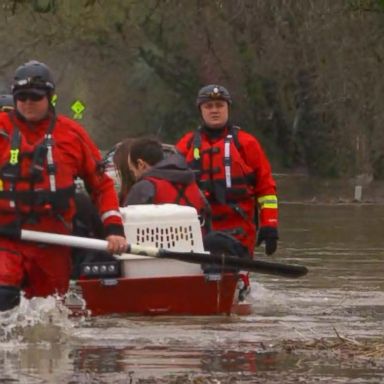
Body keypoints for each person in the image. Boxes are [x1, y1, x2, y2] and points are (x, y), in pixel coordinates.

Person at [0, 60, 127, 311]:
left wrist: (113, 229)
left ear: (50, 97)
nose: (27, 103)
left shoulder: (72, 134)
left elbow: (101, 185)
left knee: (48, 312)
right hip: (7, 236)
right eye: (21, 97)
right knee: (3, 293)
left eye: (35, 97)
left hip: (53, 239)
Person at [176, 84, 279, 258]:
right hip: (197, 229)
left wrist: (270, 224)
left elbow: (266, 190)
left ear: (228, 108)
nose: (214, 111)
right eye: (208, 106)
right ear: (200, 110)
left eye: (220, 106)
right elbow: (169, 186)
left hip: (240, 230)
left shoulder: (247, 144)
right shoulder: (185, 145)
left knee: (232, 274)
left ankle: (240, 282)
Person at [118, 137, 211, 232]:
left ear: (141, 164)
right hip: (197, 243)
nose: (135, 177)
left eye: (132, 171)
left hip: (156, 246)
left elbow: (124, 227)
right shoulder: (191, 182)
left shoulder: (143, 187)